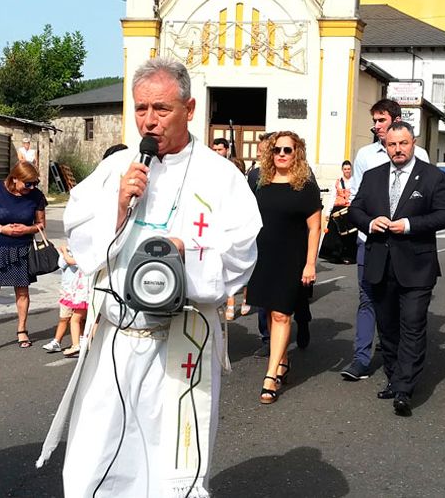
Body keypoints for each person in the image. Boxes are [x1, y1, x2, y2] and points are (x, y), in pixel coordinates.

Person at [37, 58, 261, 496]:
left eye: (161, 109)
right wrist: (118, 206)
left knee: (170, 463)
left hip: (181, 343)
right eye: (141, 109)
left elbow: (241, 254)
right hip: (116, 341)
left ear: (190, 108)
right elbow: (80, 234)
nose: (149, 121)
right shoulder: (119, 166)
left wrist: (185, 254)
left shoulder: (221, 177)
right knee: (94, 459)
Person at [348, 122, 445, 416]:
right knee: (388, 327)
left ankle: (405, 388)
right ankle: (395, 378)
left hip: (416, 265)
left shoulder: (432, 176)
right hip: (380, 263)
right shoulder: (372, 177)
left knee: (413, 324)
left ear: (413, 143)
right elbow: (355, 210)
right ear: (386, 146)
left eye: (403, 144)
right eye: (392, 145)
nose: (397, 149)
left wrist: (409, 225)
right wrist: (370, 222)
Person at [340, 99, 429, 381]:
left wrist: (408, 225)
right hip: (371, 242)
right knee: (367, 299)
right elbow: (355, 202)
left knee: (399, 306)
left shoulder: (421, 155)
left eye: (381, 120)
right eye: (374, 121)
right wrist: (368, 223)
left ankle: (399, 362)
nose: (376, 126)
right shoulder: (365, 155)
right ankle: (361, 359)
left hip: (405, 247)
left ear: (397, 120)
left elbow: (426, 199)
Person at [248, 131, 323, 404]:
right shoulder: (261, 182)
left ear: (297, 154)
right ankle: (283, 359)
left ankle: (270, 377)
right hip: (263, 256)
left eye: (287, 150)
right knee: (269, 311)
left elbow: (315, 228)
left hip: (292, 257)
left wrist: (310, 264)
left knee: (281, 315)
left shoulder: (305, 186)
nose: (281, 154)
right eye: (277, 149)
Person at [0, 161, 46, 354]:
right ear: (15, 179)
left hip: (22, 247)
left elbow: (41, 223)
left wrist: (28, 229)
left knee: (22, 291)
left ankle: (22, 330)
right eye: (28, 184)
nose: (31, 188)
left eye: (35, 183)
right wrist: (2, 228)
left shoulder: (36, 196)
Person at [43, 243, 88, 357]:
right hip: (68, 292)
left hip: (80, 293)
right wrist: (65, 253)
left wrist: (63, 250)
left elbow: (71, 261)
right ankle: (57, 341)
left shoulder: (84, 254)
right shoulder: (69, 253)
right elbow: (62, 264)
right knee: (64, 318)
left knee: (79, 319)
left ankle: (79, 342)